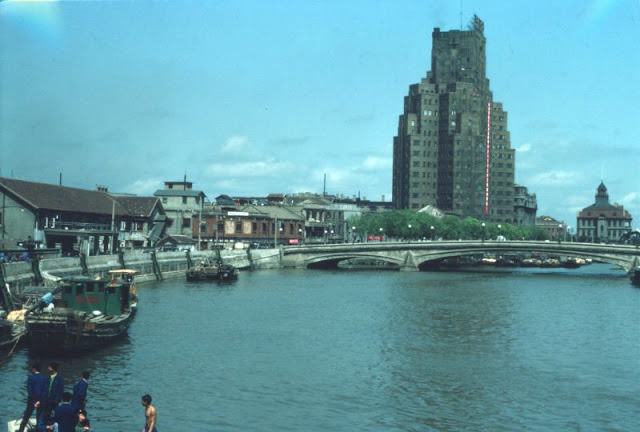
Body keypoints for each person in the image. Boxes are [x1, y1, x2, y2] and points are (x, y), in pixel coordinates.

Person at [18, 363, 49, 432]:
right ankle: (38, 430)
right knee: (39, 417)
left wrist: (34, 401)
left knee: (26, 416)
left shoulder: (31, 377)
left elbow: (30, 391)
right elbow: (45, 391)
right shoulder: (44, 378)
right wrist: (39, 401)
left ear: (34, 369)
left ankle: (21, 430)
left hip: (31, 401)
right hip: (41, 401)